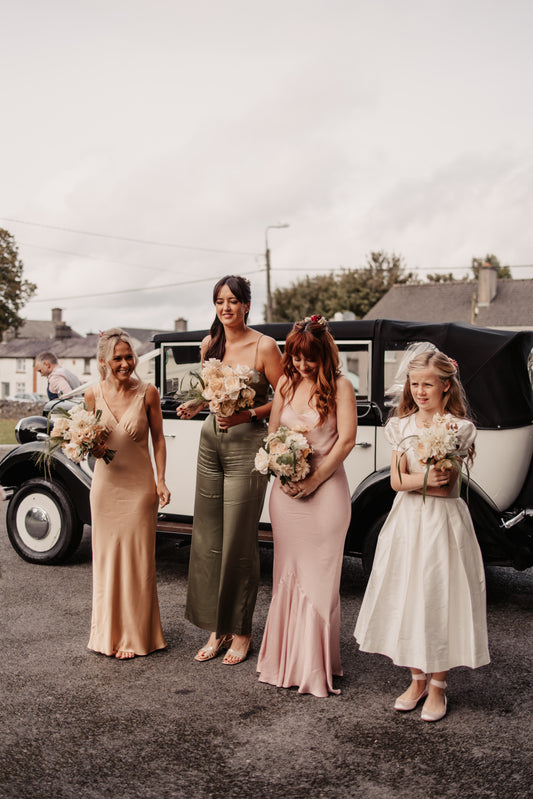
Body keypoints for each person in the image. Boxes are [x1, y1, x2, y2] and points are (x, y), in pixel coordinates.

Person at [354, 350, 490, 721]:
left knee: (438, 596)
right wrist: (424, 478)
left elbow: (446, 488)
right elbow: (396, 482)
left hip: (441, 524)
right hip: (407, 522)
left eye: (428, 384)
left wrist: (420, 481)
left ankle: (438, 685)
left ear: (446, 385)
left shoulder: (458, 428)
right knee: (408, 594)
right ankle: (416, 679)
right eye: (415, 384)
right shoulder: (401, 426)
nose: (420, 391)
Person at [177, 275, 283, 665]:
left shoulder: (264, 346)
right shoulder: (210, 345)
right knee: (207, 537)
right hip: (211, 442)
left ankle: (241, 630)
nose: (226, 307)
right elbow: (210, 394)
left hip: (247, 445)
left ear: (246, 305)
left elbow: (285, 396)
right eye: (220, 301)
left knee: (238, 540)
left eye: (233, 301)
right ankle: (215, 627)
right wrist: (195, 404)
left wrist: (247, 415)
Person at [256, 315, 357, 697]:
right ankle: (285, 661)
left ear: (324, 355)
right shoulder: (285, 383)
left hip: (326, 492)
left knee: (319, 580)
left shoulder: (341, 387)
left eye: (309, 358)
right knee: (287, 573)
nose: (302, 364)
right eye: (296, 357)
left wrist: (314, 480)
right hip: (286, 496)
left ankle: (315, 665)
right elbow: (273, 435)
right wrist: (280, 470)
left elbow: (346, 441)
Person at [85, 328, 170, 660]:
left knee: (138, 561)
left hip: (139, 489)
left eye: (128, 357)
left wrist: (161, 480)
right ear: (104, 361)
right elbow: (89, 441)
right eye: (117, 358)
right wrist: (91, 448)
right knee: (107, 561)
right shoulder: (92, 394)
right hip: (105, 489)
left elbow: (159, 439)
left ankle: (135, 636)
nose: (125, 363)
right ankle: (107, 634)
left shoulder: (148, 392)